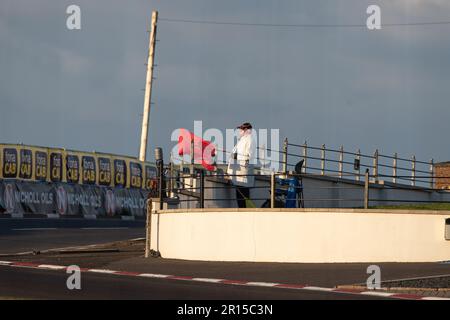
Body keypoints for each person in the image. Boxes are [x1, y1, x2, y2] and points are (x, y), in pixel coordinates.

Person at [227, 122, 256, 208]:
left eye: (241, 129)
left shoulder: (250, 139)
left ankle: (244, 210)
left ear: (246, 130)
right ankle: (242, 209)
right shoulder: (242, 140)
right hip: (239, 171)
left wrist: (237, 157)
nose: (240, 131)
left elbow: (249, 156)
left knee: (242, 193)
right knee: (240, 194)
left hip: (243, 171)